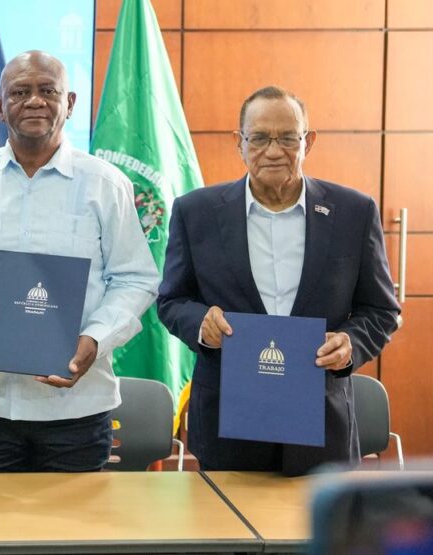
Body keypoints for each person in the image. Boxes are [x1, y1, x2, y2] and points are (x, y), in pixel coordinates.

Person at [0, 50, 159, 473]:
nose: (35, 101)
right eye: (20, 92)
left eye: (48, 91)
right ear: (0, 107)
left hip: (78, 407)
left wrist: (95, 338)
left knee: (73, 519)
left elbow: (135, 279)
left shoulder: (105, 185)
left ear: (69, 103)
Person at [158, 85, 400, 476]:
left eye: (288, 138)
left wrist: (351, 343)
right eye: (259, 138)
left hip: (321, 427)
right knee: (227, 517)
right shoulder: (195, 212)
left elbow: (381, 310)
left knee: (314, 520)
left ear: (309, 142)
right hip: (228, 425)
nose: (273, 151)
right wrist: (201, 324)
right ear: (239, 143)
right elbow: (171, 300)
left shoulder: (353, 212)